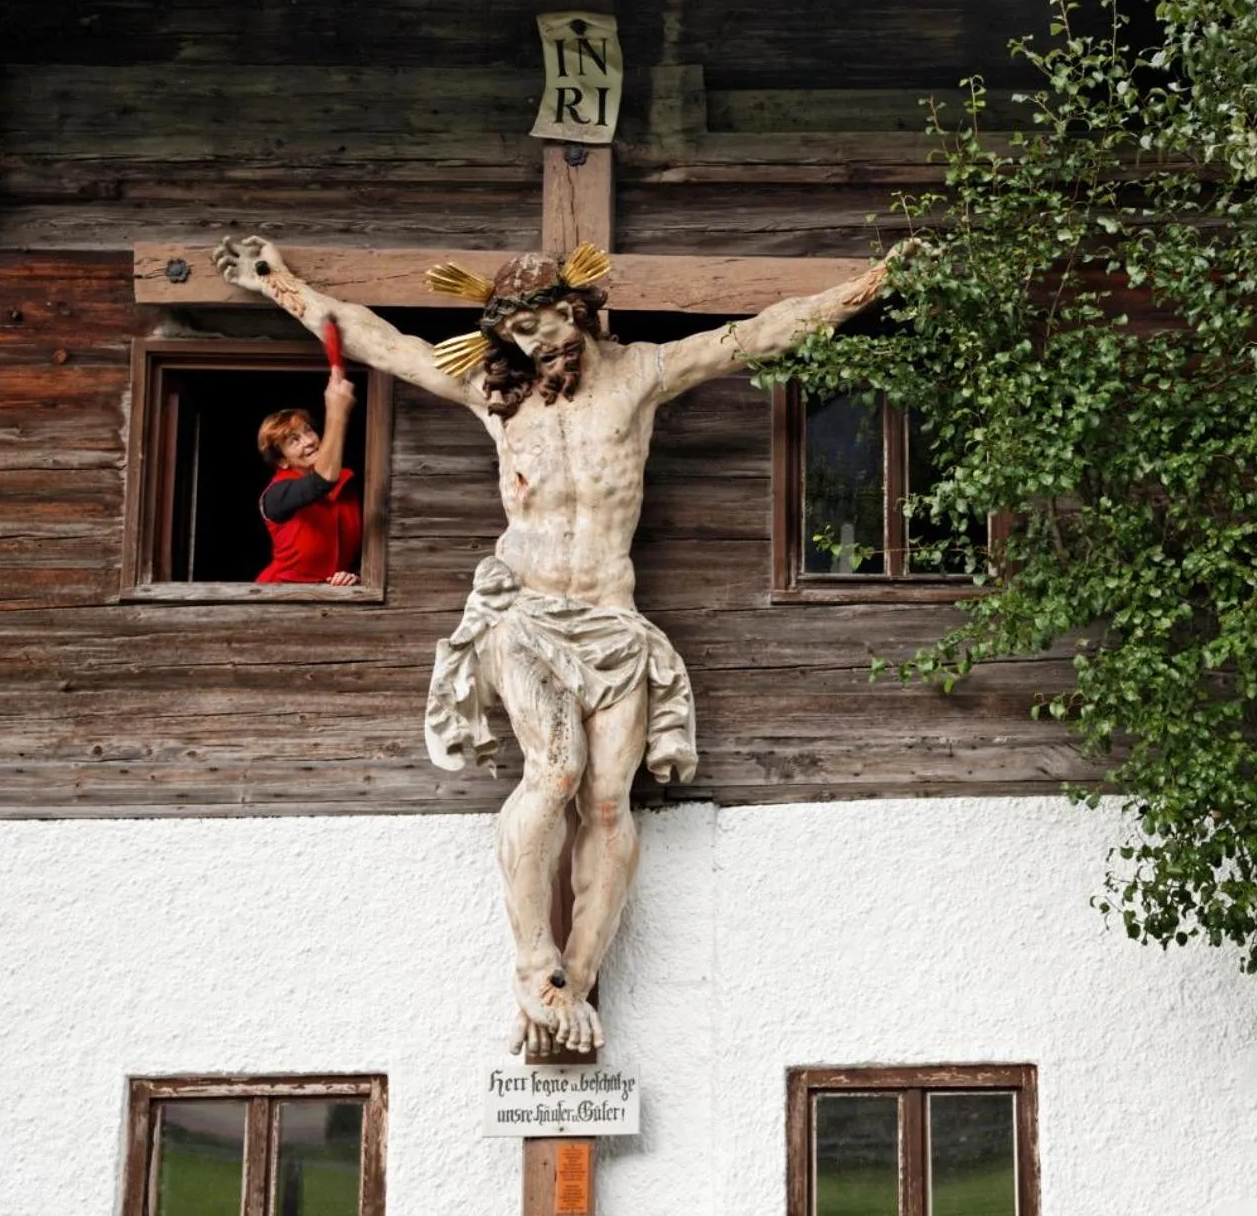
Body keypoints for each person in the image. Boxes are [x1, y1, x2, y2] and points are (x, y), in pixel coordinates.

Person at [212, 233, 901, 1057]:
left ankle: (570, 984)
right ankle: (532, 965)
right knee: (557, 770)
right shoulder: (495, 394)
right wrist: (278, 284)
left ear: (579, 308)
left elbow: (752, 335)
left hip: (613, 622)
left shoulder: (641, 375)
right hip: (528, 613)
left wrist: (870, 285)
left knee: (610, 802)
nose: (535, 346)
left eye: (545, 325)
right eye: (519, 335)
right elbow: (377, 341)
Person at [254, 367, 362, 586]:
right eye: (294, 440)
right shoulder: (276, 496)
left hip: (330, 603)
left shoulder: (347, 487)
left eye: (308, 431)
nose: (309, 441)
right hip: (278, 599)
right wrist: (337, 412)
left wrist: (352, 575)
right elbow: (321, 482)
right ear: (281, 461)